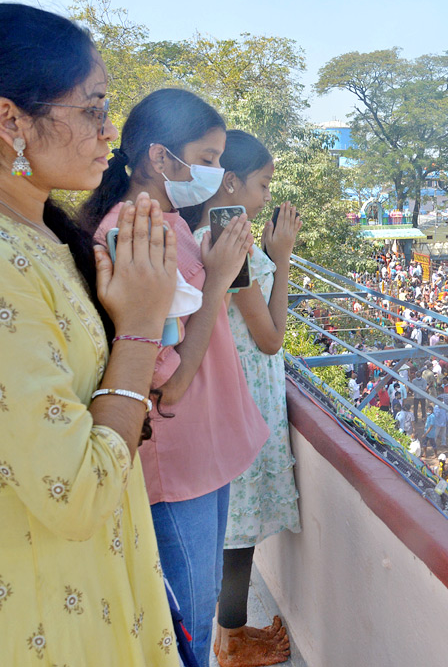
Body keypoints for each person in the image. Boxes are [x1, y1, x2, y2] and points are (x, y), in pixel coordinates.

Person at [0, 4, 180, 664]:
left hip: (69, 579)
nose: (109, 132)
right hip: (27, 603)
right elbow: (74, 492)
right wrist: (140, 328)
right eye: (91, 109)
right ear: (8, 120)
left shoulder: (33, 236)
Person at [85, 88, 268, 666]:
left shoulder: (168, 222)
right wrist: (219, 280)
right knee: (185, 615)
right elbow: (167, 382)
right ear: (160, 159)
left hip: (201, 450)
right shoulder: (139, 232)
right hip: (176, 456)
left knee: (199, 595)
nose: (217, 173)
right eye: (208, 158)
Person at [192, 131, 301, 665]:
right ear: (230, 182)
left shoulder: (197, 232)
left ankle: (228, 634)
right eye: (263, 184)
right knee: (238, 535)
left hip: (218, 395)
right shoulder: (234, 247)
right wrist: (281, 260)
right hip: (245, 401)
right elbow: (272, 336)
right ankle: (232, 643)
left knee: (230, 525)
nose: (265, 198)